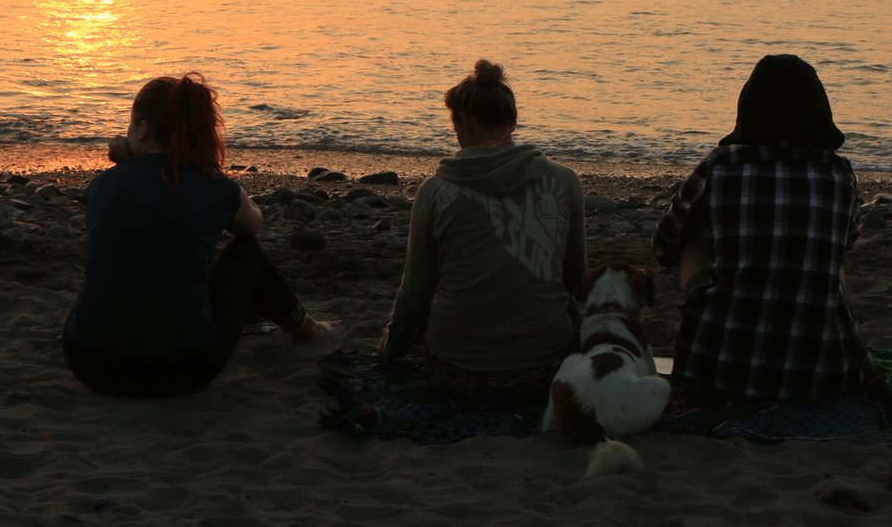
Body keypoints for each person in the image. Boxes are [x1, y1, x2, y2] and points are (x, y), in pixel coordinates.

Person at [64, 73, 333, 397]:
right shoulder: (212, 185)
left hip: (89, 364)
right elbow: (252, 225)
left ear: (143, 128)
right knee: (245, 252)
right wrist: (207, 172)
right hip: (184, 368)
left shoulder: (103, 185)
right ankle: (306, 329)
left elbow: (144, 214)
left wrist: (131, 162)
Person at [651, 54, 875, 400]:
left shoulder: (719, 165)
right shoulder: (839, 173)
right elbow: (845, 244)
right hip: (823, 372)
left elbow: (664, 246)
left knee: (692, 235)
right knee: (826, 256)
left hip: (717, 365)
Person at [379, 59, 586, 399]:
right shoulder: (563, 181)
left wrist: (389, 349)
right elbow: (577, 279)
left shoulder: (435, 192)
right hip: (547, 367)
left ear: (462, 121)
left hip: (458, 371)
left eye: (454, 124)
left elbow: (414, 298)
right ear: (514, 122)